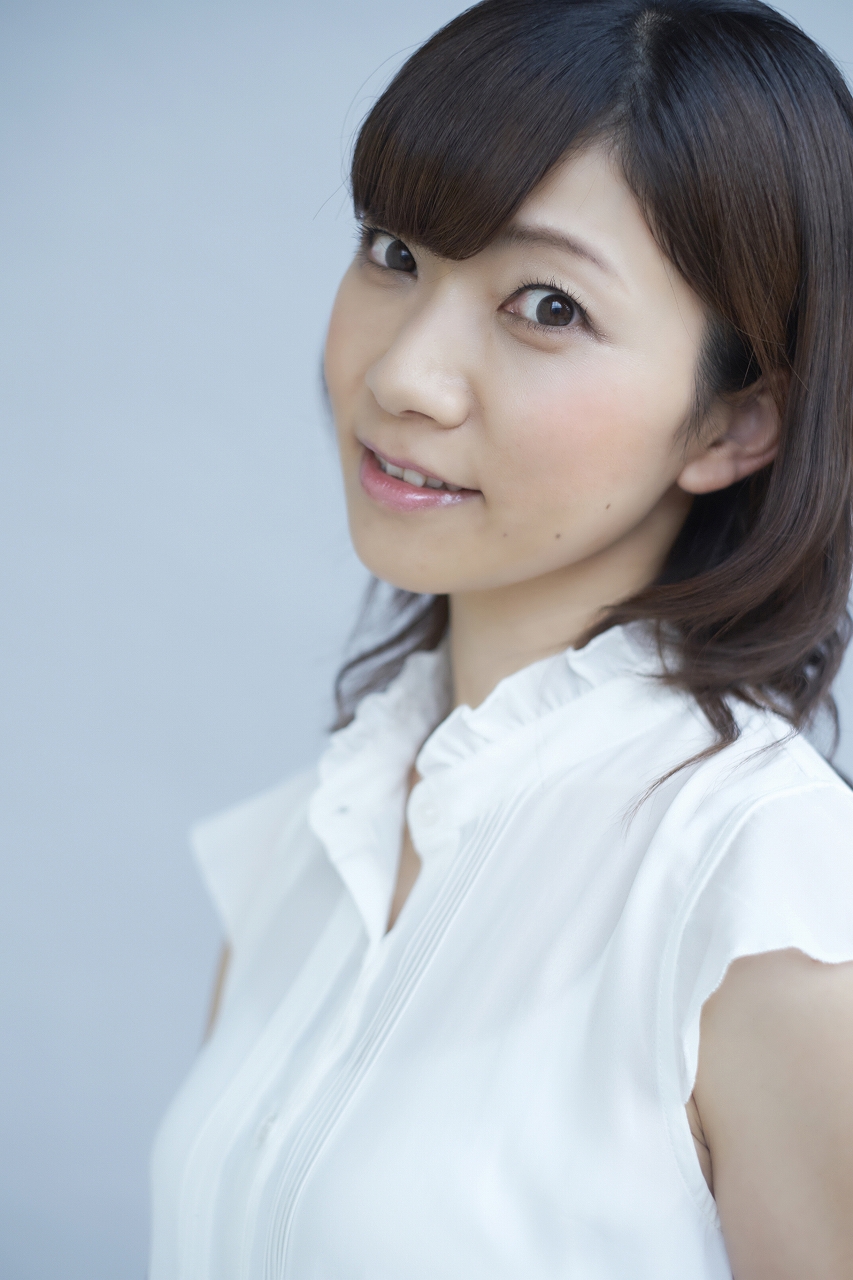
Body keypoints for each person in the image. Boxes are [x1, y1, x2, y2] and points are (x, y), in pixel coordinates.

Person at [149, 1, 853, 1276]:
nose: (404, 375)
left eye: (546, 305)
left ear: (733, 423)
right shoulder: (310, 845)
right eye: (393, 252)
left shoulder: (767, 896)